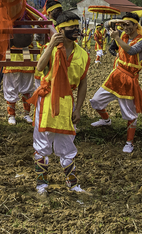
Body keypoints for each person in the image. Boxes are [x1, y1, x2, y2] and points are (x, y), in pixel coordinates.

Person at [29, 11, 89, 194]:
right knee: (42, 141)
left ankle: (73, 184)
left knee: (67, 141)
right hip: (47, 99)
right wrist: (51, 47)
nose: (76, 31)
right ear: (60, 30)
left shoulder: (83, 54)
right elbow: (39, 68)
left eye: (77, 27)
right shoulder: (51, 48)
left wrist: (78, 109)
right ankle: (41, 184)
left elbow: (83, 84)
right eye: (71, 28)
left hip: (66, 101)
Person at [89, 12, 142, 153]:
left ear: (136, 25)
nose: (125, 27)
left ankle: (129, 142)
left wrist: (117, 38)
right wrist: (119, 21)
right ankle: (106, 120)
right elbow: (106, 25)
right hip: (116, 75)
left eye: (129, 24)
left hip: (129, 79)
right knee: (96, 101)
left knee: (130, 114)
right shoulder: (124, 35)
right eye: (123, 25)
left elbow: (132, 51)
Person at [2, 39, 36, 125]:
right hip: (11, 56)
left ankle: (27, 114)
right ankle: (11, 115)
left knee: (27, 88)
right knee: (11, 88)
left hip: (27, 55)